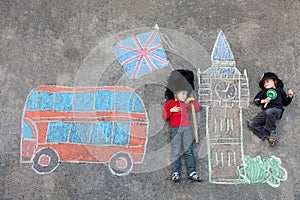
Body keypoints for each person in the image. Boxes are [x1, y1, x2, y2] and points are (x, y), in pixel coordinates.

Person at [162, 70, 202, 182]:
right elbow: (165, 116)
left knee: (188, 150)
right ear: (175, 93)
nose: (185, 96)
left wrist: (193, 101)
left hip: (187, 128)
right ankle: (176, 172)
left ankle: (192, 172)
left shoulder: (186, 103)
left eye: (186, 93)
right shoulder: (170, 103)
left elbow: (197, 109)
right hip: (175, 129)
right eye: (183, 93)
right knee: (176, 151)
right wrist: (171, 110)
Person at [248, 72, 294, 147]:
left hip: (277, 110)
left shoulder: (280, 91)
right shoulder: (263, 92)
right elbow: (256, 100)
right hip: (266, 112)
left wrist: (290, 96)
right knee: (252, 123)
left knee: (270, 111)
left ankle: (272, 130)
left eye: (267, 81)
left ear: (275, 81)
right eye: (264, 83)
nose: (265, 84)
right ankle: (268, 136)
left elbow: (285, 102)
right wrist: (264, 101)